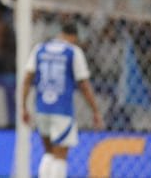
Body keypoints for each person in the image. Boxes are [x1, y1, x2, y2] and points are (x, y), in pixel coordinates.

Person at [20, 23, 103, 178]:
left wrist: (23, 107)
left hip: (42, 107)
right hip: (62, 109)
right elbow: (84, 85)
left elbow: (27, 79)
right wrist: (95, 110)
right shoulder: (73, 52)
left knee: (48, 152)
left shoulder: (39, 49)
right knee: (60, 156)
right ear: (74, 37)